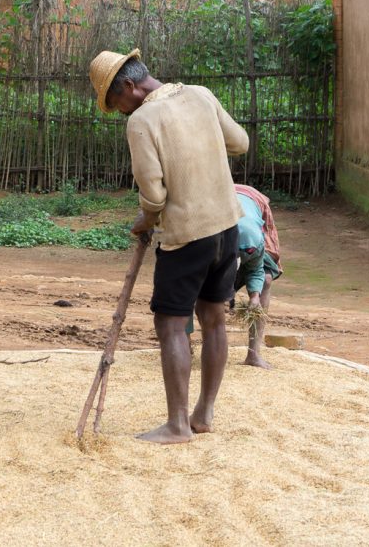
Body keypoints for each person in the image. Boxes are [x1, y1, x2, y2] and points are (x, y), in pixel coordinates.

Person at [89, 48, 248, 444]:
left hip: (187, 235)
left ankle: (177, 425)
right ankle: (203, 414)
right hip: (228, 227)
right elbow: (240, 142)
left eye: (116, 104)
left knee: (171, 325)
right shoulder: (201, 94)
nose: (120, 112)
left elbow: (154, 194)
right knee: (214, 319)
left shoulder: (142, 120)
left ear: (128, 87)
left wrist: (144, 220)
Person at [185, 185, 284, 368]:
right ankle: (185, 344)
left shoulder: (256, 241)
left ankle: (254, 354)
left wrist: (254, 295)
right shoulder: (204, 239)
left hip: (253, 201)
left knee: (266, 281)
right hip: (217, 205)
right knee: (191, 288)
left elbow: (256, 270)